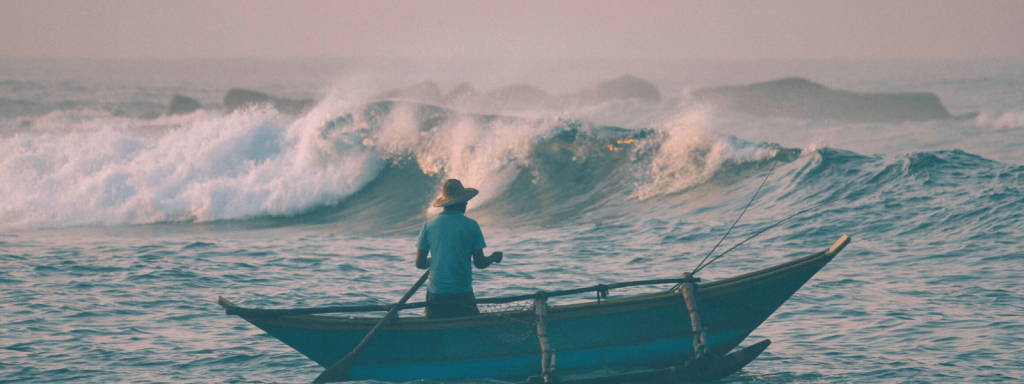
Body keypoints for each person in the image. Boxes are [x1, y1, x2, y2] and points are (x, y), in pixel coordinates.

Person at [416, 179, 504, 319]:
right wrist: (493, 257)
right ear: (460, 202)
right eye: (465, 200)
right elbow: (480, 263)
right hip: (462, 294)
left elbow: (419, 264)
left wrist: (432, 261)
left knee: (435, 332)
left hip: (435, 295)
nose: (467, 203)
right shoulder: (471, 225)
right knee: (471, 331)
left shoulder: (428, 226)